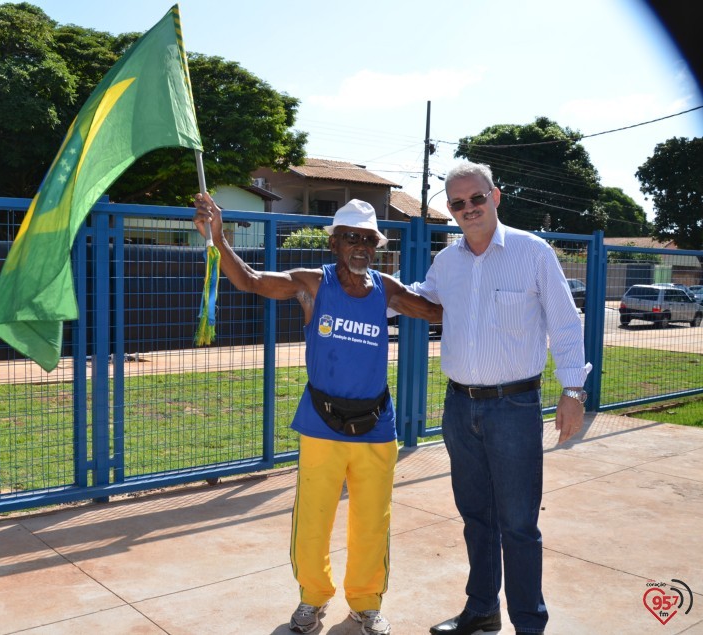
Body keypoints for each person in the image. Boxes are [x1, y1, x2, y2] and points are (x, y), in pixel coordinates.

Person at [193, 193, 441, 635]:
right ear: (334, 243)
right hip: (322, 424)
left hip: (376, 426)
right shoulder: (313, 284)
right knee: (313, 521)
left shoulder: (386, 289)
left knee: (372, 522)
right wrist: (219, 240)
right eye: (350, 237)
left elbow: (437, 312)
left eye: (368, 239)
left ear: (378, 246)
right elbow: (250, 280)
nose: (360, 246)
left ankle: (366, 604)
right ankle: (312, 599)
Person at [409, 161, 590, 635]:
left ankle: (529, 623)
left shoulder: (532, 252)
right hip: (459, 406)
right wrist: (359, 286)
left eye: (476, 198)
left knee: (518, 525)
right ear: (449, 210)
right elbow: (419, 298)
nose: (468, 208)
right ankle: (482, 609)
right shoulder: (446, 261)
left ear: (496, 197)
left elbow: (566, 324)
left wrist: (573, 390)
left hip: (514, 408)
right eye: (457, 203)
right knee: (476, 518)